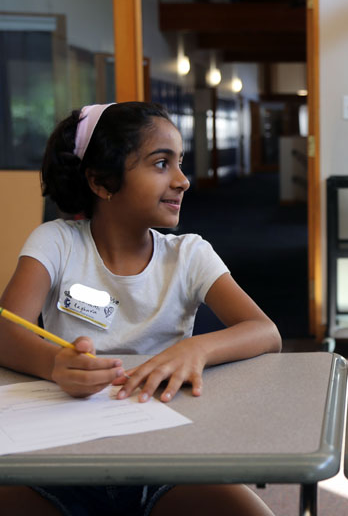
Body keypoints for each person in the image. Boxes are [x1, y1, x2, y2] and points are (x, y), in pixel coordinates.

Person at [0, 101, 282, 516]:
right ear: (101, 182)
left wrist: (196, 349)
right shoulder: (56, 242)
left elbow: (266, 332)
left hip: (166, 455)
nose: (183, 180)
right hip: (63, 457)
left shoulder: (189, 254)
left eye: (180, 163)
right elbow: (6, 332)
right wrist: (55, 364)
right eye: (161, 163)